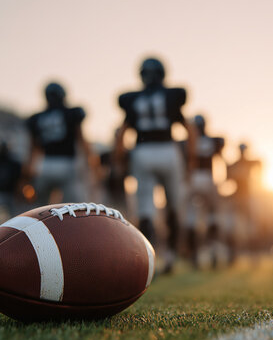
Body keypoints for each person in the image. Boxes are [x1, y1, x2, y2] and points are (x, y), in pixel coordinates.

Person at [115, 57, 196, 274]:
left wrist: (120, 160)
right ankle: (169, 256)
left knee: (145, 208)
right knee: (173, 205)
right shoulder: (171, 96)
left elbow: (122, 132)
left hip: (142, 151)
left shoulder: (132, 98)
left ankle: (147, 258)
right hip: (168, 150)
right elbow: (189, 129)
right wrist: (190, 161)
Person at [24, 82, 97, 205]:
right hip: (67, 164)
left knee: (41, 209)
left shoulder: (37, 118)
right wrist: (92, 162)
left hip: (44, 165)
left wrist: (27, 174)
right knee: (73, 207)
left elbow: (33, 148)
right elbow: (81, 140)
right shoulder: (71, 114)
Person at [184, 114, 225, 268]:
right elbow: (221, 158)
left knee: (191, 218)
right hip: (207, 179)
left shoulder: (188, 142)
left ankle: (194, 255)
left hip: (193, 180)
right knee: (212, 217)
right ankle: (213, 252)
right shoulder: (213, 141)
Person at [226, 143, 261, 262]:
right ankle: (233, 255)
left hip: (248, 197)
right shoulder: (234, 165)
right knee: (233, 228)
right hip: (236, 197)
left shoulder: (250, 163)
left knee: (251, 228)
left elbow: (260, 167)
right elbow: (228, 178)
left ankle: (254, 256)